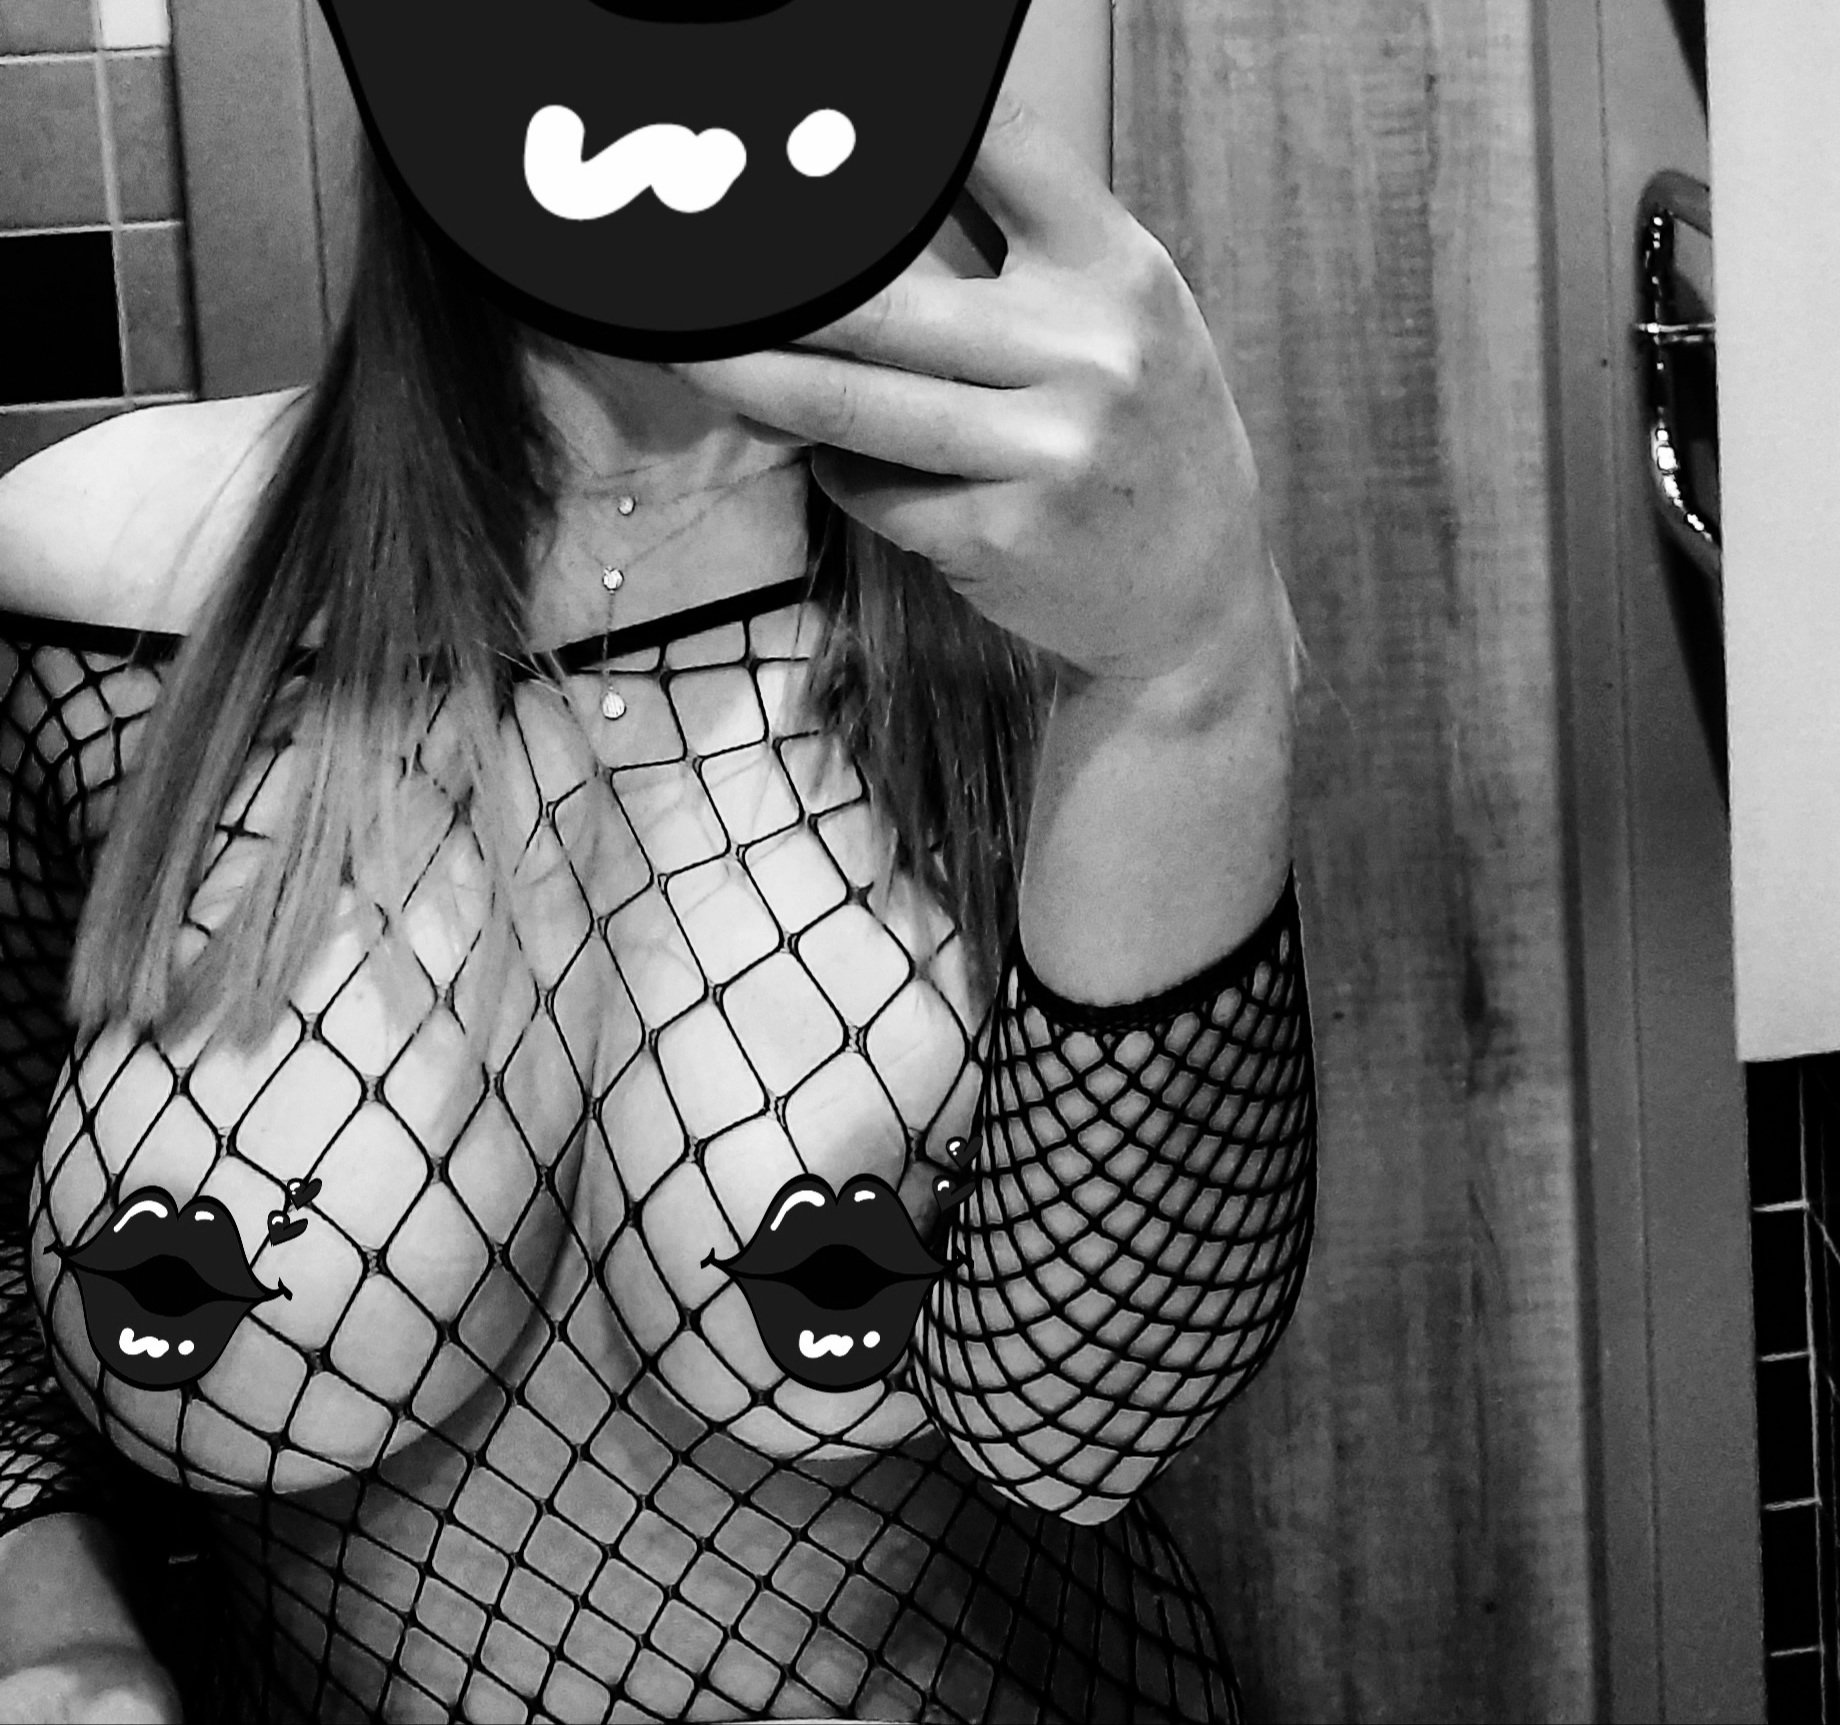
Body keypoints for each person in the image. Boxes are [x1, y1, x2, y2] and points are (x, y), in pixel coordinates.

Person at [0, 91, 1316, 1724]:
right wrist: (52, 1633)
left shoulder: (1058, 567)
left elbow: (1096, 1422)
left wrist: (1189, 674)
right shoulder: (93, 593)